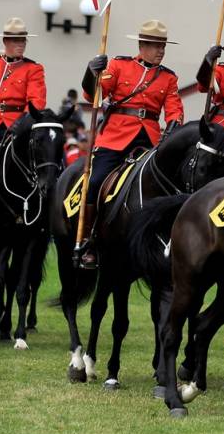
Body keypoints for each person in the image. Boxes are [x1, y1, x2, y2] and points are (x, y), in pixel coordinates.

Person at [76, 19, 184, 268]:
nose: (161, 51)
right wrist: (91, 71)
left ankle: (168, 240)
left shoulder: (168, 77)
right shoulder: (119, 65)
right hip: (115, 137)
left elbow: (174, 109)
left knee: (173, 185)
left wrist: (174, 127)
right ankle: (88, 238)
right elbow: (94, 94)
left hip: (150, 139)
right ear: (143, 45)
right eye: (157, 46)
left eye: (163, 46)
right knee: (94, 181)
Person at [0, 17, 46, 156]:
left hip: (19, 123)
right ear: (5, 41)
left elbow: (37, 101)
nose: (21, 44)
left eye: (23, 40)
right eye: (16, 40)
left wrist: (23, 121)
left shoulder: (34, 68)